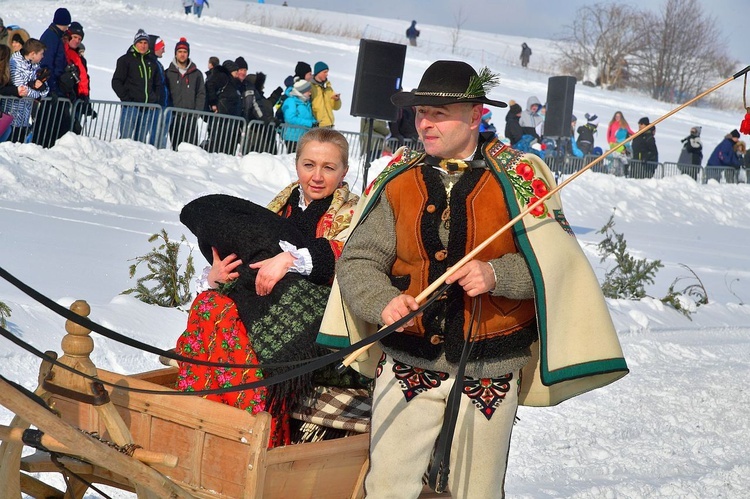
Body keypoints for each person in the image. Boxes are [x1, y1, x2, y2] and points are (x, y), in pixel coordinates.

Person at [324, 60, 627, 498]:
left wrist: (496, 273)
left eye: (438, 113)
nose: (424, 123)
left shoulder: (521, 178)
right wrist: (384, 303)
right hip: (408, 360)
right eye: (420, 112)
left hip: (491, 366)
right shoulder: (398, 178)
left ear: (475, 116)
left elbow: (553, 267)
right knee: (387, 487)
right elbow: (358, 260)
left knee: (476, 489)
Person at [175, 127, 360, 448]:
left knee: (224, 314)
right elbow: (250, 254)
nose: (317, 176)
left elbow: (354, 261)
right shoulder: (277, 207)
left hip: (322, 322)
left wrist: (294, 259)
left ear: (344, 171)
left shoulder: (355, 214)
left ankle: (254, 430)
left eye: (328, 168)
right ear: (296, 164)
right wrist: (218, 274)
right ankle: (200, 411)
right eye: (309, 165)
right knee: (209, 303)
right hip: (265, 303)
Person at [111, 29, 161, 143]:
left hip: (148, 108)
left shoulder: (152, 63)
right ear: (135, 44)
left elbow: (158, 84)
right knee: (126, 139)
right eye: (140, 43)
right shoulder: (125, 60)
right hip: (131, 106)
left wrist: (154, 99)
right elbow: (116, 82)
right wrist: (126, 99)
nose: (143, 46)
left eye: (145, 43)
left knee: (141, 142)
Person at [35, 7, 72, 148]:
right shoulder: (51, 37)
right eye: (66, 24)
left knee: (56, 123)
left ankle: (46, 147)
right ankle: (42, 147)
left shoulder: (54, 36)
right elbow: (47, 64)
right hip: (51, 89)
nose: (67, 28)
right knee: (47, 124)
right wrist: (51, 89)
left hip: (55, 87)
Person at [165, 37, 205, 151]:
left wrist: (196, 113)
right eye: (180, 52)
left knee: (191, 149)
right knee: (176, 148)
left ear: (188, 53)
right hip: (174, 116)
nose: (182, 54)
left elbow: (201, 94)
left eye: (185, 52)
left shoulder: (197, 74)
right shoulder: (168, 73)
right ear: (176, 53)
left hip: (190, 117)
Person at [9, 38, 47, 143]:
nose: (43, 57)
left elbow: (45, 90)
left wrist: (41, 88)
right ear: (33, 54)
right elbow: (21, 89)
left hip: (25, 116)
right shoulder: (15, 62)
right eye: (41, 54)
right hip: (12, 113)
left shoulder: (35, 65)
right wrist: (37, 94)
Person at [203, 59, 243, 154]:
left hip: (230, 119)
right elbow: (210, 85)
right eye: (235, 71)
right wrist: (213, 103)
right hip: (221, 117)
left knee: (227, 144)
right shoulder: (223, 78)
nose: (237, 73)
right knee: (218, 143)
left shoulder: (234, 83)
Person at [61, 21, 90, 135]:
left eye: (79, 39)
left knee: (74, 131)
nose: (77, 40)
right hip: (64, 97)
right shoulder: (62, 51)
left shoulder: (80, 58)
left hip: (77, 99)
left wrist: (85, 97)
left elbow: (85, 78)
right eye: (75, 37)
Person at [0, 44, 29, 142]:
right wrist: (15, 91)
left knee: (7, 130)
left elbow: (6, 86)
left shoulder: (5, 74)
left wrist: (18, 90)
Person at [281, 78, 316, 153]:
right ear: (301, 91)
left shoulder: (306, 103)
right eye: (308, 91)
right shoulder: (291, 101)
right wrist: (310, 123)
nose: (310, 93)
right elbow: (290, 118)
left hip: (304, 137)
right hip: (292, 137)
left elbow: (308, 117)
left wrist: (315, 123)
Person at [310, 61, 340, 128]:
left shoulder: (328, 87)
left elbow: (336, 107)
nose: (327, 74)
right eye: (325, 72)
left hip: (330, 125)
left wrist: (337, 100)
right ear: (318, 72)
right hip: (317, 125)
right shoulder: (311, 87)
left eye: (327, 72)